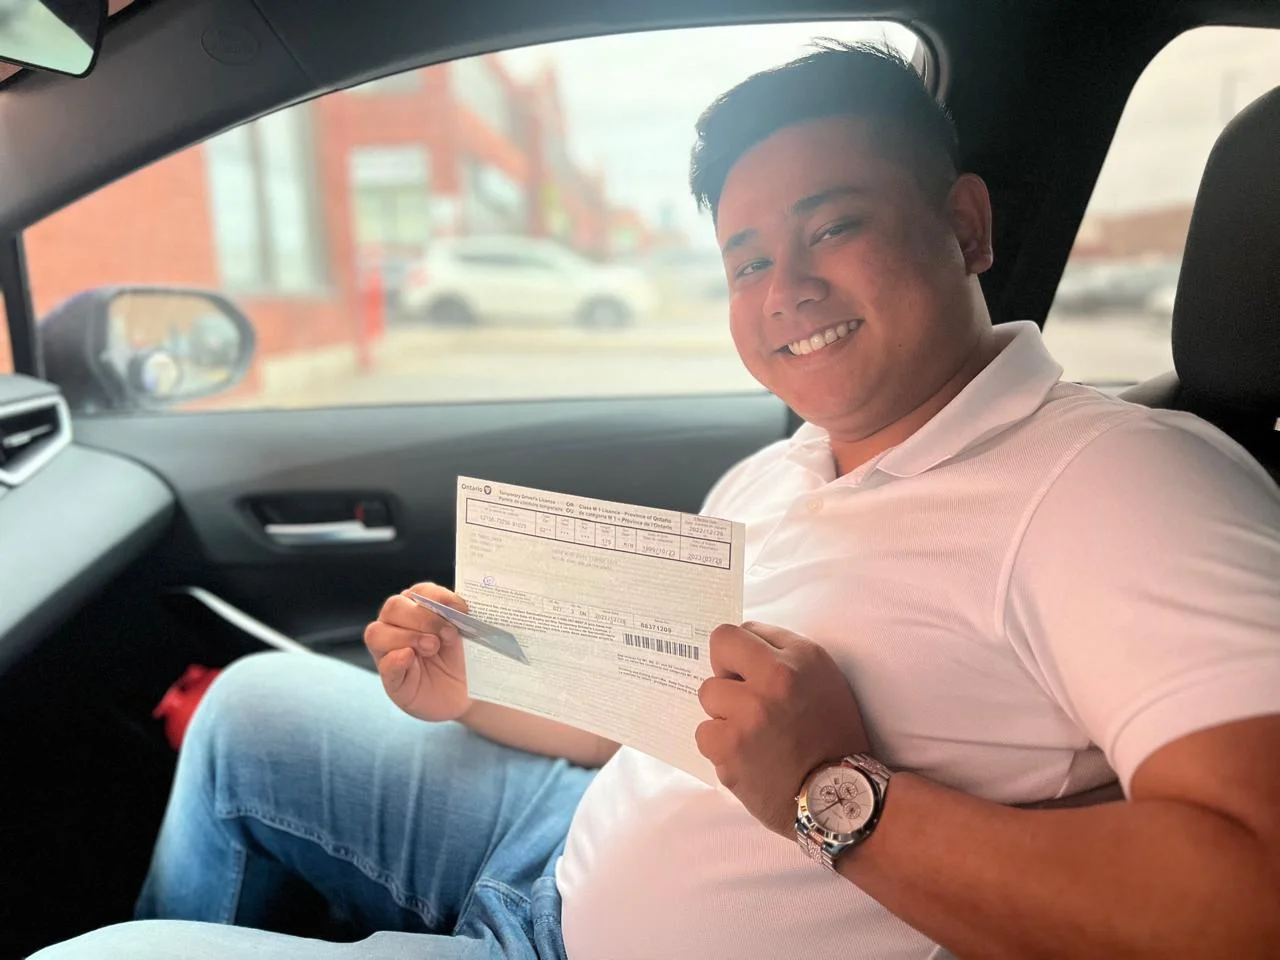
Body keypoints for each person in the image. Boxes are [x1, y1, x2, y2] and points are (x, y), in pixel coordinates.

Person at [31, 40, 1280, 960]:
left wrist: (836, 794)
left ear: (961, 228)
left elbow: (1252, 893)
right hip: (561, 834)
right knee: (248, 711)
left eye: (830, 226)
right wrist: (475, 679)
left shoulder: (1119, 482)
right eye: (746, 259)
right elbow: (631, 709)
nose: (783, 286)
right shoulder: (788, 463)